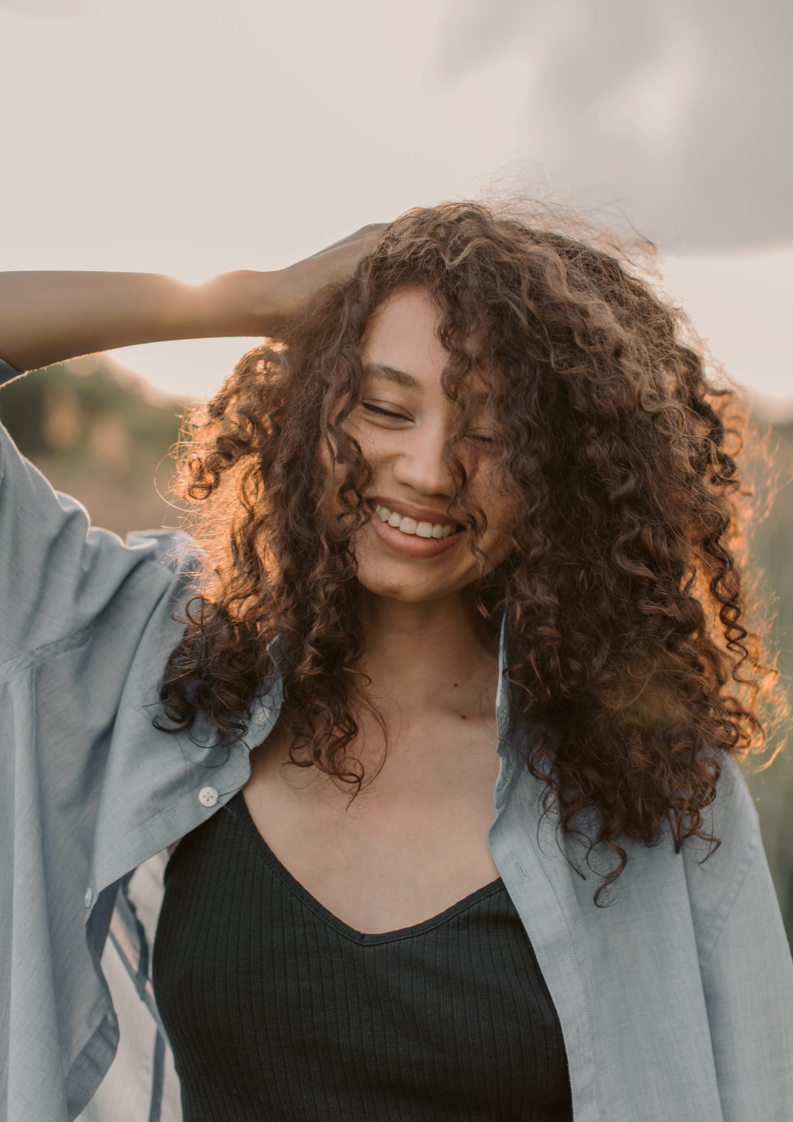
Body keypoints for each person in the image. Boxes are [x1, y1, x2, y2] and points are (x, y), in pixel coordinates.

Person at [1, 201, 791, 1122]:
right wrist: (261, 296)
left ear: (561, 472)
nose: (427, 469)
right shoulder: (167, 667)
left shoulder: (647, 778)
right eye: (384, 407)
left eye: (493, 435)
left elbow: (758, 1087)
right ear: (310, 406)